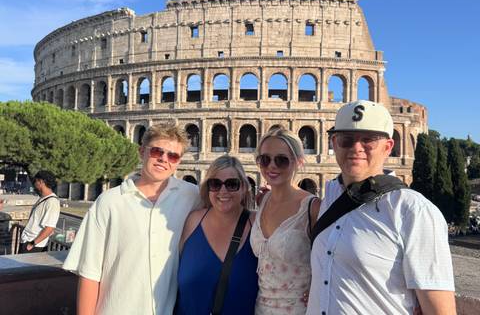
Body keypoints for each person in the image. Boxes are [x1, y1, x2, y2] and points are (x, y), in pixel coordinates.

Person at [307, 100, 456, 315]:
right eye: (346, 140)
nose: (356, 148)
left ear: (388, 146)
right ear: (334, 143)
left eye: (368, 140)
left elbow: (440, 311)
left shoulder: (413, 210)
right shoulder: (329, 196)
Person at [63, 124, 200, 315]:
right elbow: (89, 273)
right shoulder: (109, 202)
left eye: (173, 155)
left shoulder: (191, 196)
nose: (163, 159)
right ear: (142, 151)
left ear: (178, 162)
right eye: (157, 151)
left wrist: (257, 204)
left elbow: (226, 209)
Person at [250, 127, 320, 314]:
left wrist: (318, 286)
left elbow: (331, 259)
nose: (271, 166)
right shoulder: (262, 201)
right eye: (265, 160)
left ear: (298, 162)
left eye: (281, 160)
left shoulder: (312, 208)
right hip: (261, 308)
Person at [176, 155, 258, 314]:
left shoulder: (256, 225)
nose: (223, 191)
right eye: (215, 184)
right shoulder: (193, 221)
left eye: (232, 184)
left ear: (243, 187)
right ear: (208, 188)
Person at [19, 170, 60, 253]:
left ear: (41, 182)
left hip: (34, 246)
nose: (34, 184)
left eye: (35, 181)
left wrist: (32, 243)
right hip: (26, 241)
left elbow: (49, 228)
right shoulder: (43, 198)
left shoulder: (52, 202)